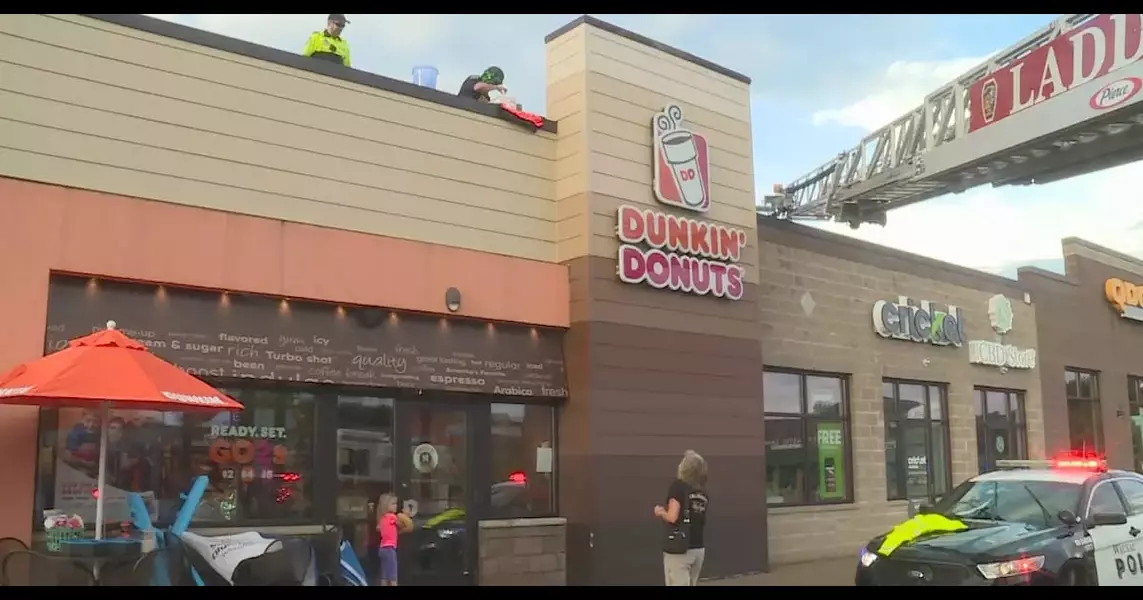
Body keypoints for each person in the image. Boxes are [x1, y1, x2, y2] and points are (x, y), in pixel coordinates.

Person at [653, 450, 709, 586]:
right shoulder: (702, 492)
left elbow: (673, 517)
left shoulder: (677, 487)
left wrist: (660, 512)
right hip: (698, 549)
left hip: (680, 549)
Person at [376, 493, 411, 586]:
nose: (396, 506)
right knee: (392, 574)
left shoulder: (381, 518)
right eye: (393, 504)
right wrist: (405, 516)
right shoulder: (392, 517)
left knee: (384, 574)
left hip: (382, 548)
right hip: (390, 548)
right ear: (386, 505)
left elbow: (379, 528)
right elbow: (404, 525)